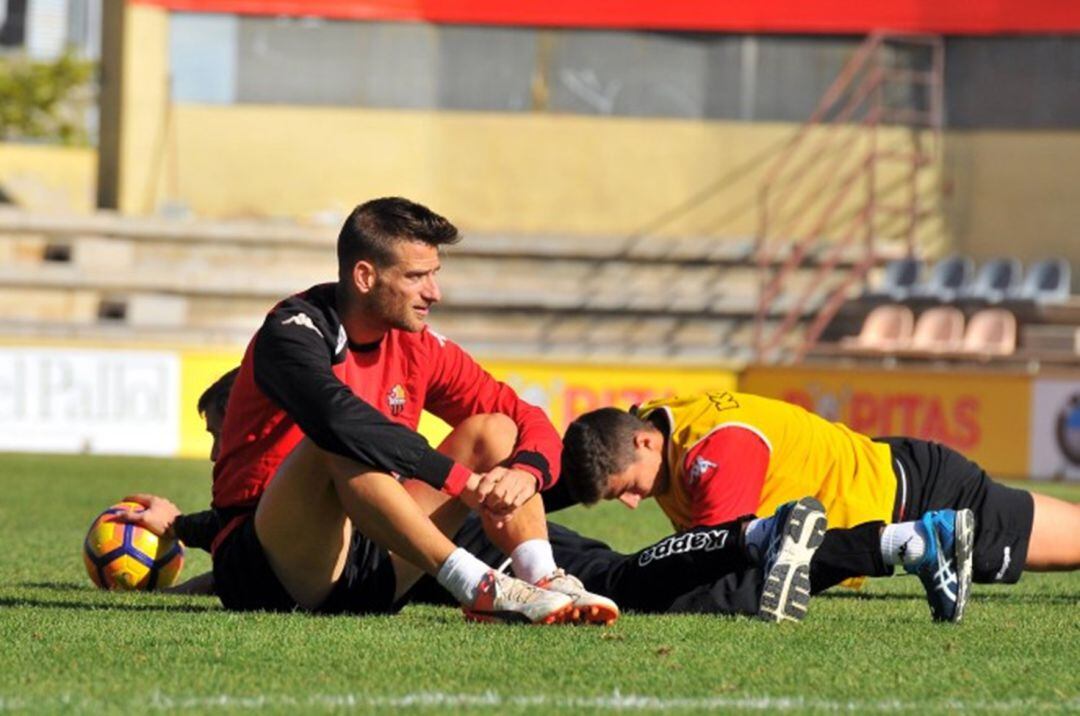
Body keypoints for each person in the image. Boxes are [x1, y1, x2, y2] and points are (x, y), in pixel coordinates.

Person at [121, 197, 617, 625]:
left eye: (435, 275)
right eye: (417, 277)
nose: (434, 292)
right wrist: (461, 482)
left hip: (371, 565)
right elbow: (338, 421)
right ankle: (479, 586)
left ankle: (544, 578)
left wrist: (527, 472)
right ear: (364, 275)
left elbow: (528, 419)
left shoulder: (421, 347)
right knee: (335, 438)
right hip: (269, 573)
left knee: (495, 430)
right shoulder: (291, 331)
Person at [134, 367, 832, 622]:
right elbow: (250, 552)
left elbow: (252, 541)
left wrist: (515, 476)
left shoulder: (290, 461)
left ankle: (759, 541)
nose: (220, 444)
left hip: (466, 539)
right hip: (439, 544)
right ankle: (767, 542)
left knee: (622, 577)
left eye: (219, 428)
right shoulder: (282, 506)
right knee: (623, 576)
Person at [560, 390, 1080, 622]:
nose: (629, 504)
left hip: (915, 495)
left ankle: (924, 542)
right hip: (895, 477)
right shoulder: (651, 422)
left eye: (626, 487)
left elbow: (721, 564)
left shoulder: (716, 452)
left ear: (645, 445)